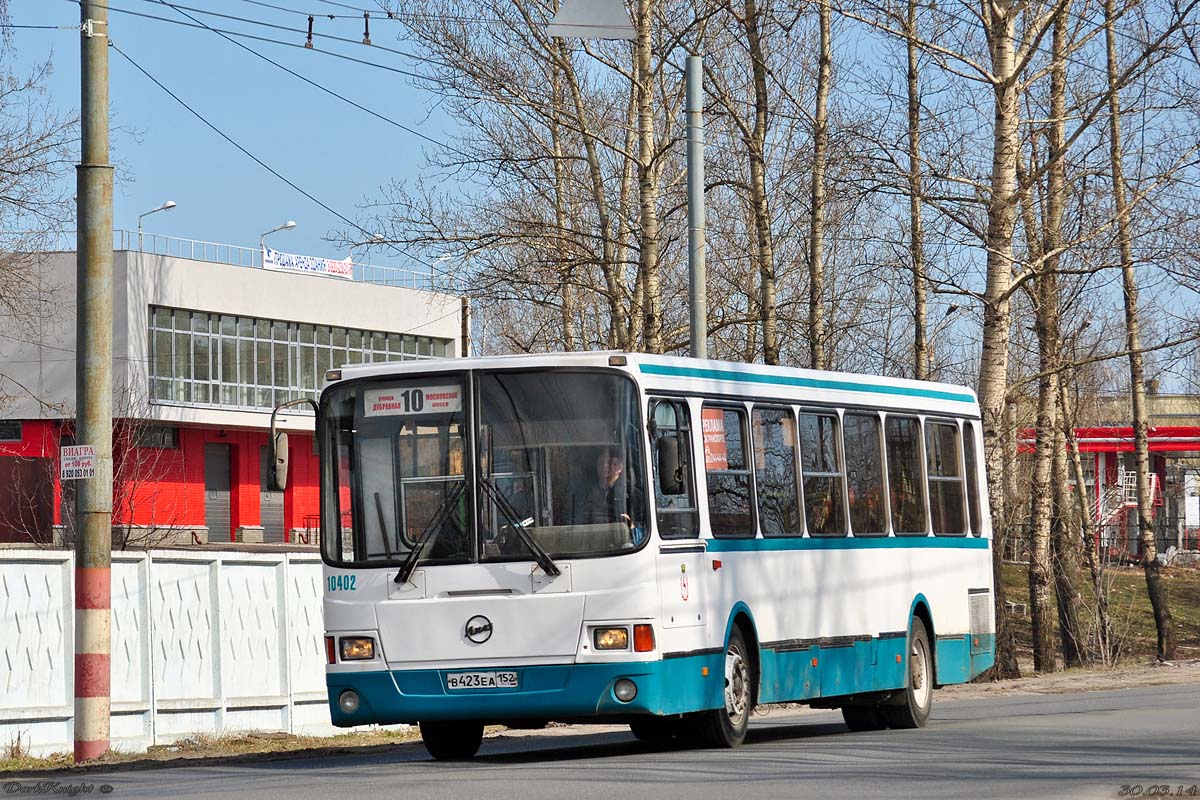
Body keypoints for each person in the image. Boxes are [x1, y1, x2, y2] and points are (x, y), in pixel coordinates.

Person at [572, 448, 630, 525]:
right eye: (601, 462)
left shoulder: (630, 492)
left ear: (620, 467)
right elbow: (576, 517)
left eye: (610, 463)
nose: (604, 466)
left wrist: (628, 521)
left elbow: (640, 526)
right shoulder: (584, 490)